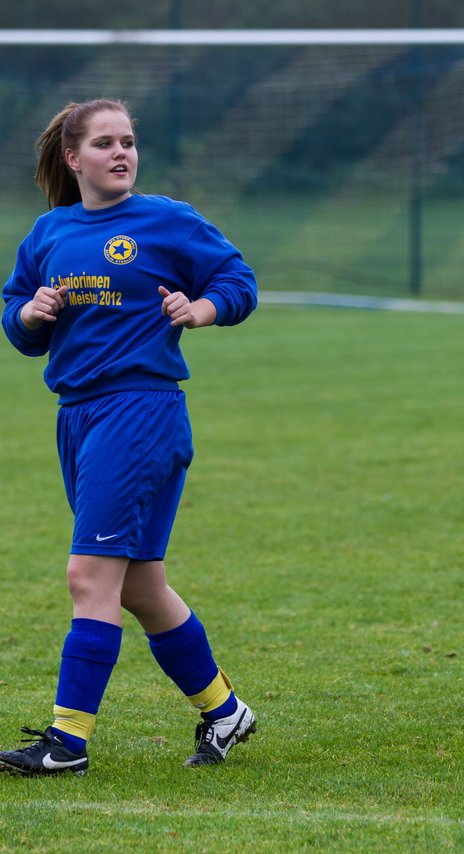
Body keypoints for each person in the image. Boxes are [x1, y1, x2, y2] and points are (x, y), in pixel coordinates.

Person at [0, 99, 259, 775]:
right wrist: (30, 312)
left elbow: (239, 281)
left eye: (130, 142)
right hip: (79, 416)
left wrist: (198, 309)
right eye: (106, 143)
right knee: (140, 584)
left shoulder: (166, 220)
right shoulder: (50, 232)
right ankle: (226, 711)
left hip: (139, 412)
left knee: (89, 576)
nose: (122, 153)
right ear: (73, 157)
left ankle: (66, 743)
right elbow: (16, 317)